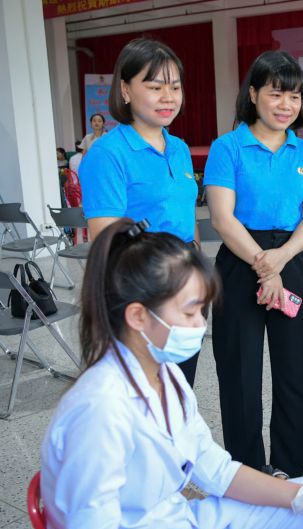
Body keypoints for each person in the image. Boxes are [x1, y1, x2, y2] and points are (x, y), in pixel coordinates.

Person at [39, 220, 303, 529]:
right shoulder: (100, 408)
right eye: (190, 313)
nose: (201, 324)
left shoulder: (165, 375)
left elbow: (215, 469)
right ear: (138, 317)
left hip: (179, 524)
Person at [205, 51, 303, 480]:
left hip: (291, 257)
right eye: (276, 94)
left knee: (295, 373)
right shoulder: (228, 147)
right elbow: (222, 217)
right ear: (253, 93)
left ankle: (289, 471)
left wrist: (280, 260)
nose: (285, 105)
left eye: (294, 97)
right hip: (240, 262)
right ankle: (248, 471)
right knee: (240, 375)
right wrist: (263, 264)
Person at [79, 38, 201, 387]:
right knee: (142, 395)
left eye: (175, 87)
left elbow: (184, 212)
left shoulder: (177, 148)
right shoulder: (108, 154)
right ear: (125, 90)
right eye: (155, 86)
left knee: (177, 390)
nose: (169, 97)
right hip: (140, 290)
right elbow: (107, 238)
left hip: (182, 285)